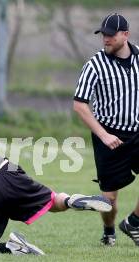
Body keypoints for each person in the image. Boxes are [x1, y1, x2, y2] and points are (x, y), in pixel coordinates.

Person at [73, 13, 139, 246]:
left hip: (137, 131)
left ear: (125, 35)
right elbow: (80, 104)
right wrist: (103, 134)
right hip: (108, 134)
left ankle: (133, 222)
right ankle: (109, 231)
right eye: (103, 35)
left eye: (111, 35)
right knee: (109, 199)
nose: (106, 39)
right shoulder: (95, 65)